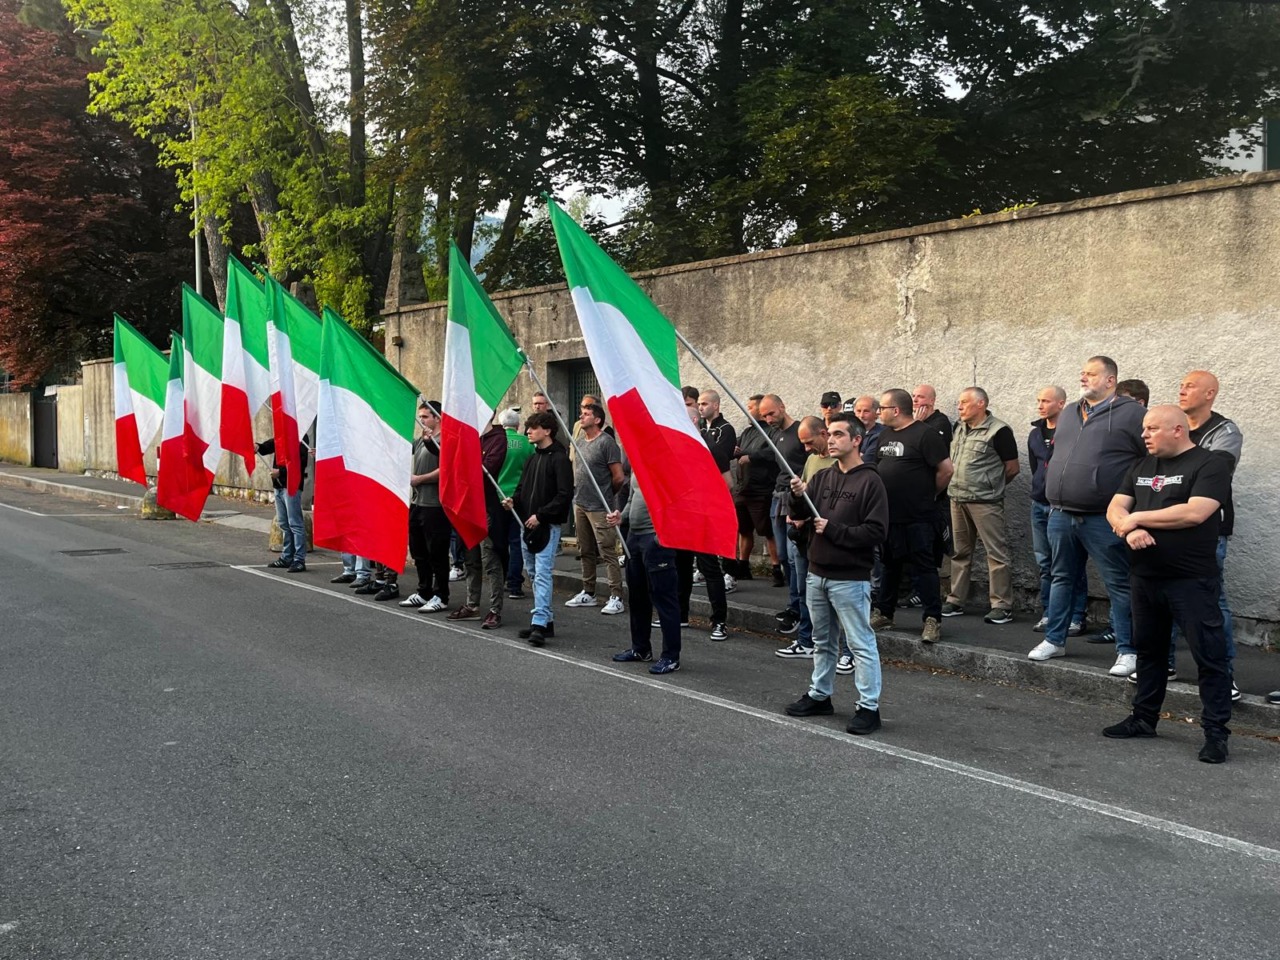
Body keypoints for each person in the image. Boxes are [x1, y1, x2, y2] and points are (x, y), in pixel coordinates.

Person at [1102, 405, 1234, 763]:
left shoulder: (1209, 464)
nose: (1144, 435)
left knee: (1209, 657)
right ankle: (1144, 719)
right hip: (1145, 578)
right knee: (1150, 653)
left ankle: (1216, 734)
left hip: (1190, 580)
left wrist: (1137, 518)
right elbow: (1115, 507)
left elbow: (1196, 512)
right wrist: (1129, 530)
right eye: (1144, 429)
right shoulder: (1142, 466)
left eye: (1152, 428)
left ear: (1178, 430)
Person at [1030, 356, 1146, 677]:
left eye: (1092, 373)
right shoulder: (1069, 412)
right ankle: (1055, 639)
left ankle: (1128, 650)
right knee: (1061, 578)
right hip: (1061, 514)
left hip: (1103, 517)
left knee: (1118, 583)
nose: (1084, 377)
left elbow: (1148, 460)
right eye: (1083, 372)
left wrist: (1130, 505)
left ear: (1110, 381)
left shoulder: (1133, 414)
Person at [782, 413, 889, 735]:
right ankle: (820, 695)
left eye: (839, 434)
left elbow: (877, 532)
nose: (831, 439)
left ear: (856, 440)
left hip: (850, 578)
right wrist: (798, 495)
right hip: (817, 572)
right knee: (822, 640)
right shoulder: (824, 476)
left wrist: (835, 530)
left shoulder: (871, 481)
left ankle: (868, 707)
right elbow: (800, 515)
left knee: (860, 644)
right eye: (829, 434)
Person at [870, 388, 953, 643]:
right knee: (890, 565)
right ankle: (885, 612)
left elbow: (946, 470)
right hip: (890, 515)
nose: (878, 412)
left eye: (882, 408)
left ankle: (932, 619)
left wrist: (929, 494)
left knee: (924, 567)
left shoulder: (924, 434)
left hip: (919, 515)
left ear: (895, 410)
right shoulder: (884, 435)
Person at [941, 387, 1019, 623]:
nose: (959, 407)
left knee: (996, 553)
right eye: (959, 402)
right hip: (957, 498)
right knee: (960, 552)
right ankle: (956, 600)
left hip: (985, 502)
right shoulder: (959, 428)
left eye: (965, 402)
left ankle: (1001, 605)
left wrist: (991, 486)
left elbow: (1012, 468)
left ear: (981, 404)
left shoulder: (999, 431)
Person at [506, 411, 573, 646]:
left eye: (533, 428)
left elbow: (564, 495)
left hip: (547, 525)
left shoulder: (560, 460)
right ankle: (547, 621)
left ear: (547, 430)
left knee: (543, 574)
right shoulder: (532, 459)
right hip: (527, 524)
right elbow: (523, 487)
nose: (528, 432)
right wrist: (514, 500)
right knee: (533, 573)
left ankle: (539, 623)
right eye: (528, 428)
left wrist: (541, 515)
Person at [1027, 386, 1088, 635]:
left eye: (1046, 401)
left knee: (1070, 564)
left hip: (1062, 507)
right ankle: (1049, 613)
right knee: (1045, 562)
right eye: (1038, 400)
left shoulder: (1073, 432)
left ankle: (1075, 616)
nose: (1040, 405)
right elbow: (1036, 467)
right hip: (1039, 504)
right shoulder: (1035, 434)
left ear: (1061, 404)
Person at [608, 479, 683, 674]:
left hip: (656, 539)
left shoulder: (666, 462)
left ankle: (671, 656)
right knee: (637, 596)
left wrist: (661, 536)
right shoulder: (638, 461)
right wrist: (622, 517)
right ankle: (640, 648)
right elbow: (633, 497)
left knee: (664, 598)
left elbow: (679, 501)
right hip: (635, 537)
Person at [775, 416, 833, 658]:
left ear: (824, 433)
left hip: (825, 536)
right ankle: (805, 640)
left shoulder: (837, 462)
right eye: (803, 444)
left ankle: (830, 645)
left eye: (810, 442)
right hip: (803, 535)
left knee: (827, 595)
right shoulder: (811, 459)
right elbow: (806, 491)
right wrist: (796, 510)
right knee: (803, 589)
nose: (807, 449)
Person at [564, 402, 626, 615]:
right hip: (580, 503)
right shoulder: (580, 441)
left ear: (597, 419)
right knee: (585, 549)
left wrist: (608, 493)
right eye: (581, 413)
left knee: (607, 550)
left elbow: (618, 477)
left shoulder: (606, 443)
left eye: (587, 414)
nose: (582, 417)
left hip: (600, 505)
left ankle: (616, 595)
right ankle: (588, 591)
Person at [447, 418, 509, 625]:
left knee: (490, 560)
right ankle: (472, 605)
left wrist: (465, 462)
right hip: (468, 507)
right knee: (471, 559)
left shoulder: (498, 439)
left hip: (487, 509)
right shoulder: (471, 436)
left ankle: (495, 610)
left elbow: (486, 469)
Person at [759, 394, 809, 634]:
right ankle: (793, 603)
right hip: (777, 496)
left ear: (782, 407)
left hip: (794, 498)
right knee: (780, 553)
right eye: (764, 416)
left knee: (793, 556)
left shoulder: (799, 431)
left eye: (771, 413)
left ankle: (800, 609)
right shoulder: (773, 433)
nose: (768, 419)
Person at [401, 400, 453, 613]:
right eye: (420, 417)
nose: (421, 421)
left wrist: (420, 479)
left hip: (435, 505)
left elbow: (447, 469)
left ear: (437, 418)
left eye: (425, 417)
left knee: (437, 552)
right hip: (417, 502)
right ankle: (424, 592)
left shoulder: (444, 440)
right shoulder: (423, 439)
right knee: (418, 549)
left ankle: (441, 595)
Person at [733, 394, 783, 584]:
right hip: (743, 488)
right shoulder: (747, 432)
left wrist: (751, 456)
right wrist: (736, 451)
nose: (748, 410)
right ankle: (743, 566)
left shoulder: (772, 431)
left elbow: (773, 453)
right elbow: (738, 448)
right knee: (744, 530)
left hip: (761, 490)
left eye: (751, 407)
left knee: (768, 531)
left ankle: (776, 568)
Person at [494, 408, 534, 600]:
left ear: (501, 425)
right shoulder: (527, 444)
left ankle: (499, 580)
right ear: (518, 426)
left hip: (498, 496)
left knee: (499, 541)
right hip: (519, 498)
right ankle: (515, 584)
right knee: (517, 541)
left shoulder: (496, 443)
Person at [256, 436, 308, 573]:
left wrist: (281, 472)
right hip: (278, 485)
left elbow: (301, 462)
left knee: (295, 523)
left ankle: (299, 559)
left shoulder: (301, 435)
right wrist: (259, 447)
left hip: (291, 485)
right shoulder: (282, 432)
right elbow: (271, 444)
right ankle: (287, 557)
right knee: (284, 523)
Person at [852, 395, 884, 463]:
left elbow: (865, 461)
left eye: (866, 411)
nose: (861, 416)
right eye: (858, 411)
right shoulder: (849, 432)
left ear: (876, 413)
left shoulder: (881, 434)